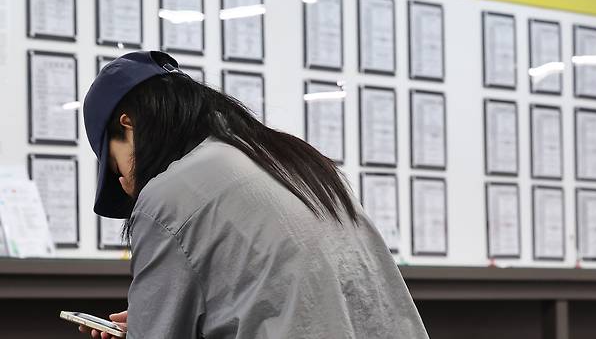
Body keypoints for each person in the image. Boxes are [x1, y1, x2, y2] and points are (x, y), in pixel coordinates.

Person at [79, 51, 429, 339]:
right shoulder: (292, 159)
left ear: (128, 125)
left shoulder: (168, 195)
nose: (125, 184)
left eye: (114, 165)